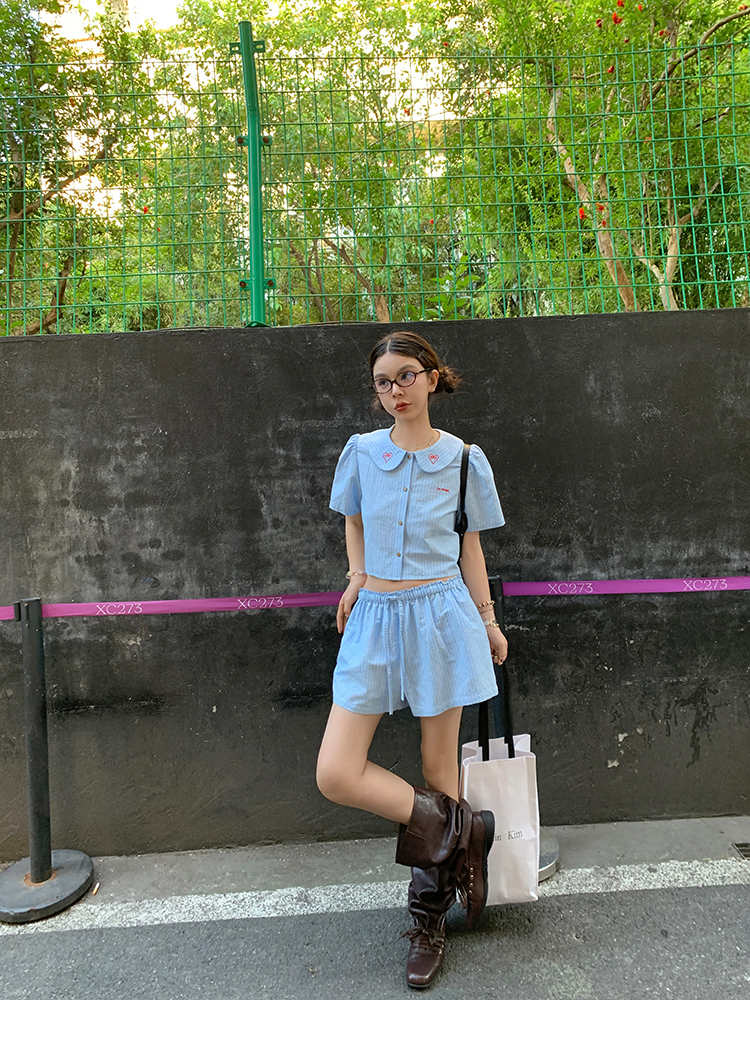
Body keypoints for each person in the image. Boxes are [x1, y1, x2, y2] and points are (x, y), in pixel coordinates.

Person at [316, 330, 508, 989]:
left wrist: (487, 620)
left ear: (431, 377)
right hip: (374, 616)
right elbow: (354, 519)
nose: (394, 390)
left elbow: (470, 548)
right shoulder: (361, 453)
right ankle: (465, 831)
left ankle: (429, 915)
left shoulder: (463, 460)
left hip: (440, 615)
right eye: (383, 382)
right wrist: (355, 578)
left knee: (437, 766)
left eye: (405, 376)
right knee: (336, 772)